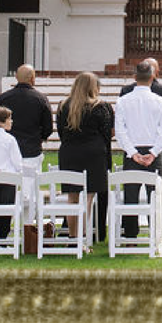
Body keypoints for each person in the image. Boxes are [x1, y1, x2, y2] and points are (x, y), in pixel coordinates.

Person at [112, 61, 162, 254]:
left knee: (130, 196)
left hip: (132, 153)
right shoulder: (160, 101)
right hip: (153, 154)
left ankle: (130, 237)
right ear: (152, 77)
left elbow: (120, 131)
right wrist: (153, 153)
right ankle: (156, 235)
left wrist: (132, 153)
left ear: (134, 78)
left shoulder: (123, 101)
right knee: (156, 196)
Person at [55, 71, 115, 245]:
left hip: (69, 153)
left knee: (72, 198)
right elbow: (106, 133)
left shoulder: (63, 105)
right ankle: (82, 238)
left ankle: (73, 237)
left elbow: (60, 132)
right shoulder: (100, 106)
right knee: (88, 197)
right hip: (93, 154)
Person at [2, 64, 56, 176]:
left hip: (8, 151)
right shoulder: (41, 99)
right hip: (32, 150)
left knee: (9, 188)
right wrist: (40, 138)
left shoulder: (4, 98)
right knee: (31, 189)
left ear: (16, 77)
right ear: (32, 78)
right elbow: (48, 127)